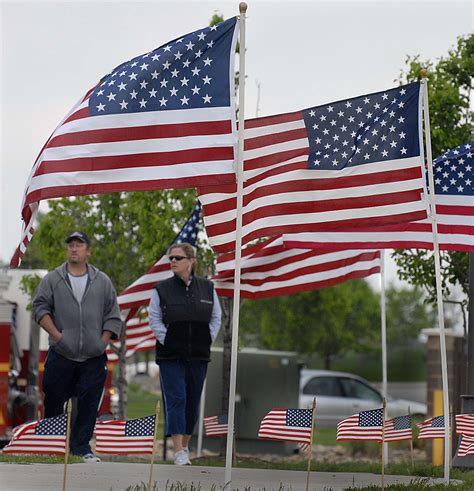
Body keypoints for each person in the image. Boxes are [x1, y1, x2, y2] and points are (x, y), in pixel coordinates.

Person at [32, 231, 122, 462]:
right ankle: (51, 446)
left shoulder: (102, 281)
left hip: (93, 356)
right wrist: (57, 336)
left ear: (88, 251)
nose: (74, 248)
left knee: (89, 404)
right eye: (70, 245)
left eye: (79, 245)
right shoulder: (53, 279)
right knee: (53, 399)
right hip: (61, 353)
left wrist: (101, 342)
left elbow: (113, 315)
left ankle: (81, 448)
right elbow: (40, 308)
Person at [149, 242, 222, 465]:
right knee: (176, 398)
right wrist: (168, 340)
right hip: (171, 356)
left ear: (191, 261)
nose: (173, 261)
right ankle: (178, 450)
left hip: (198, 355)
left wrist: (206, 338)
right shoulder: (161, 289)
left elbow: (216, 317)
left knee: (192, 401)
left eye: (178, 258)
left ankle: (185, 447)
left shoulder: (208, 288)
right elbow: (154, 318)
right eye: (171, 258)